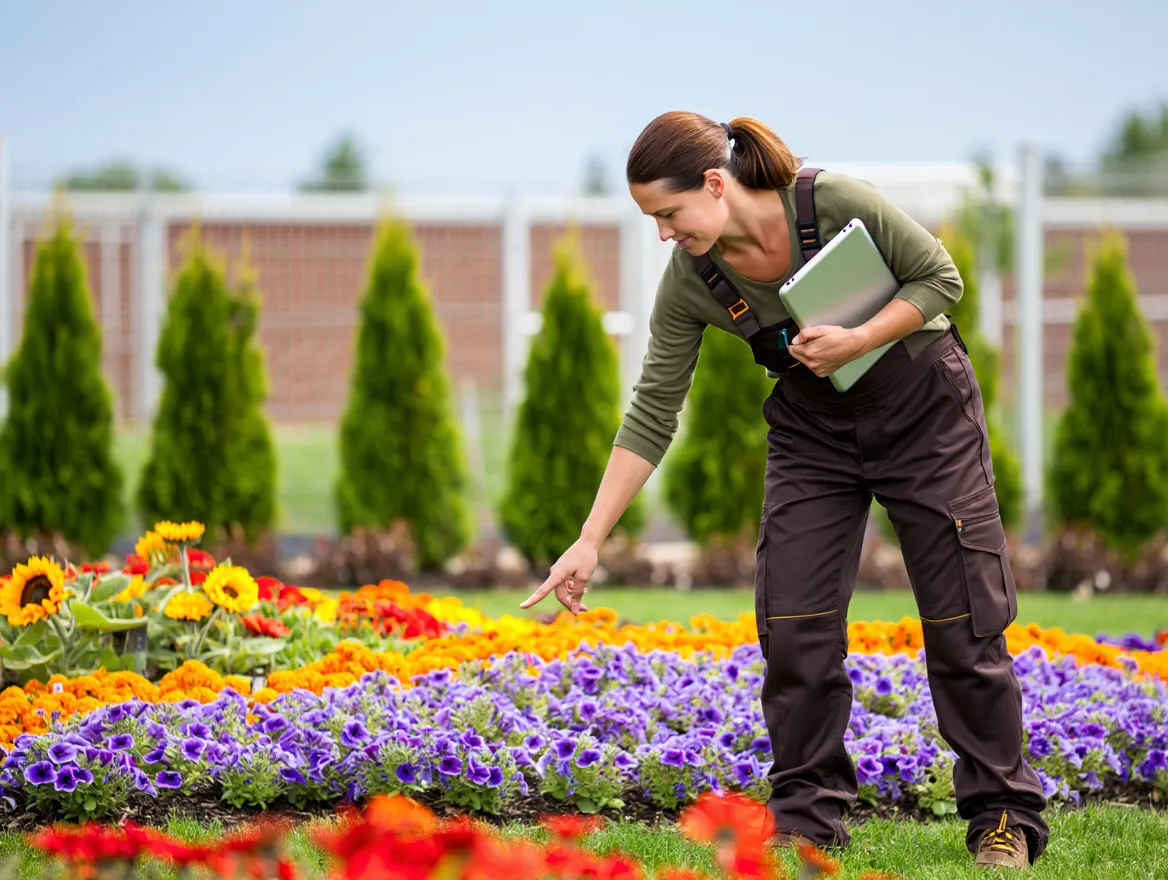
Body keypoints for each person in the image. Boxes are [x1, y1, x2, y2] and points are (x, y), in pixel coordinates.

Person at [518, 111, 1048, 870]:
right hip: (814, 434)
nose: (663, 234)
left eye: (668, 214)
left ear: (713, 184)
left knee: (965, 619)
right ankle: (806, 819)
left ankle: (1003, 816)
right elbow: (652, 410)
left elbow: (943, 279)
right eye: (651, 221)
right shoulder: (692, 282)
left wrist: (860, 337)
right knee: (793, 625)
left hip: (926, 412)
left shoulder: (832, 203)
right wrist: (590, 538)